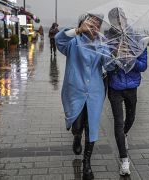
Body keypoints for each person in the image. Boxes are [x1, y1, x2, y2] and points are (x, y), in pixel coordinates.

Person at [55, 13, 111, 180]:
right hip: (75, 90)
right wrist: (78, 30)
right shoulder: (73, 42)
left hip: (95, 92)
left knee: (91, 126)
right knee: (78, 125)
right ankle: (76, 136)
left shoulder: (102, 44)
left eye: (97, 25)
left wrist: (115, 55)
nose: (94, 27)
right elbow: (59, 39)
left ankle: (87, 163)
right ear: (83, 24)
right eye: (90, 23)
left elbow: (109, 65)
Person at [106, 7, 148, 176]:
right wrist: (115, 57)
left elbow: (143, 66)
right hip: (115, 86)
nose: (118, 22)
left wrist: (129, 58)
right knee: (118, 122)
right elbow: (105, 66)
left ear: (125, 18)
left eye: (120, 18)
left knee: (130, 118)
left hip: (132, 87)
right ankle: (124, 160)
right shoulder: (107, 39)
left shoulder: (137, 38)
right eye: (114, 20)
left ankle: (123, 136)